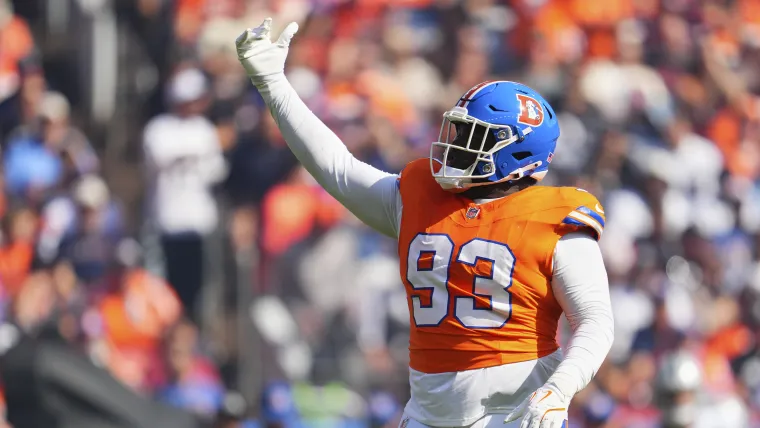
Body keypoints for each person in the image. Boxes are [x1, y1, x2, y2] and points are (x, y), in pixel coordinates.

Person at [235, 19, 614, 428]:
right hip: (428, 416)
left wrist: (560, 388)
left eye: (473, 136)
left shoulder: (556, 217)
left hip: (515, 415)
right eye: (457, 131)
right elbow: (336, 168)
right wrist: (272, 83)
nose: (454, 145)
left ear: (518, 153)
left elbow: (595, 322)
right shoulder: (419, 197)